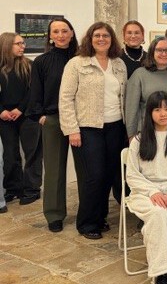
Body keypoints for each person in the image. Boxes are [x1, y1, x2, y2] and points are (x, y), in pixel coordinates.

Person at [59, 22, 128, 239]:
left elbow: (123, 95)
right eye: (97, 35)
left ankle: (100, 217)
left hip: (116, 126)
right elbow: (65, 98)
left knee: (108, 175)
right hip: (88, 128)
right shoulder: (76, 64)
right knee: (93, 176)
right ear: (89, 39)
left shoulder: (119, 64)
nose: (101, 39)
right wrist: (72, 129)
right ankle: (87, 223)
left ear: (112, 39)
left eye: (105, 36)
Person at [126, 91, 167, 284]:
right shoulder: (138, 141)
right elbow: (132, 175)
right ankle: (162, 270)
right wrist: (152, 191)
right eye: (157, 109)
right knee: (158, 214)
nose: (163, 114)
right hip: (145, 190)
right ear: (149, 113)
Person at [29, 18, 81, 232]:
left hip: (82, 118)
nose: (61, 35)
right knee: (54, 170)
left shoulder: (82, 58)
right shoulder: (41, 61)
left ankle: (89, 212)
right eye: (56, 31)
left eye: (64, 31)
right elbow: (35, 92)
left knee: (86, 169)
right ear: (50, 36)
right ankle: (54, 214)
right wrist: (41, 116)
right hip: (54, 119)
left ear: (71, 33)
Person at [0, 32, 42, 205]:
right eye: (18, 43)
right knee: (10, 155)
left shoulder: (29, 66)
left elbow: (33, 91)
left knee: (32, 153)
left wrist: (20, 109)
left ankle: (32, 189)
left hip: (27, 115)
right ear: (7, 45)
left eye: (23, 43)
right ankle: (13, 188)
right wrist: (1, 111)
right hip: (5, 117)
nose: (23, 46)